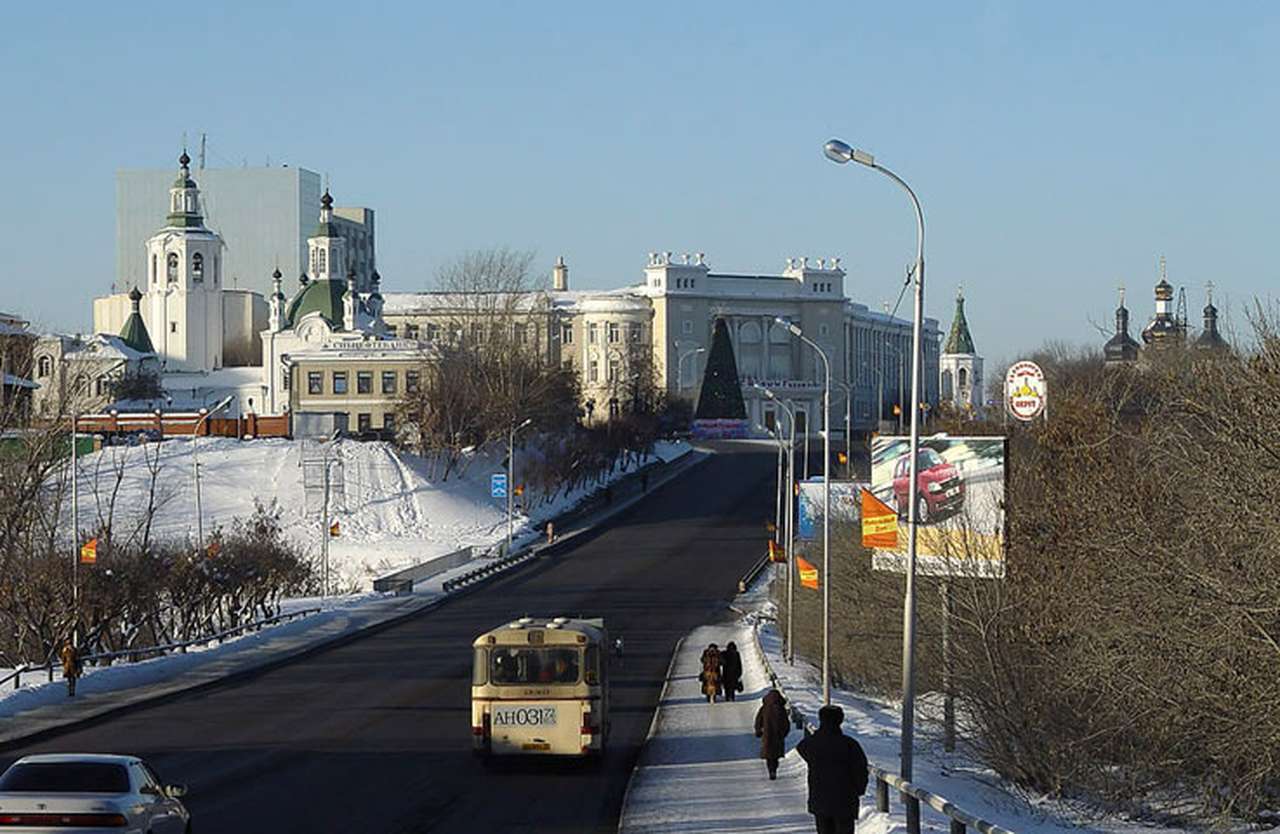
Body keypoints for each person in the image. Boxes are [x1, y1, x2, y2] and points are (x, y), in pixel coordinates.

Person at [796, 705, 869, 834]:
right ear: (840, 720)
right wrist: (858, 790)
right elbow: (861, 771)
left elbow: (801, 748)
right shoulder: (850, 744)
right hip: (845, 800)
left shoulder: (811, 743)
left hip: (820, 797)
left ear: (821, 719)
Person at [754, 688, 791, 780]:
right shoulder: (781, 709)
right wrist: (784, 733)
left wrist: (758, 730)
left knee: (768, 755)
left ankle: (770, 770)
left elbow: (758, 720)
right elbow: (786, 723)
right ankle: (774, 769)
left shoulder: (764, 708)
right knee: (775, 755)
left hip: (767, 735)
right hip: (778, 736)